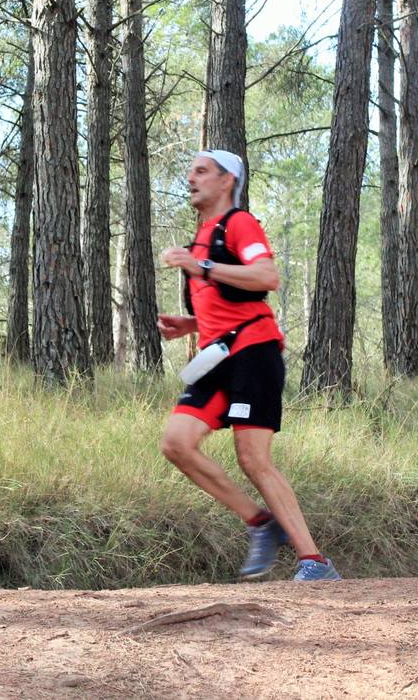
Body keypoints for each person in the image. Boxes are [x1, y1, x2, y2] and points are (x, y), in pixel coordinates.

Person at [157, 149, 341, 582]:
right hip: (216, 357)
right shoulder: (201, 239)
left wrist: (199, 265)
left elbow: (266, 277)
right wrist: (189, 324)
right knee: (176, 443)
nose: (191, 178)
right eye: (190, 171)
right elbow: (226, 303)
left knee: (253, 458)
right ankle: (261, 522)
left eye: (201, 171)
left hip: (254, 352)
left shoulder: (238, 224)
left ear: (227, 181)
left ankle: (314, 562)